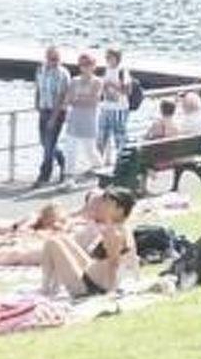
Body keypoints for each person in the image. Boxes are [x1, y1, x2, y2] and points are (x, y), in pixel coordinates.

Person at [37, 187, 138, 298]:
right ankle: (50, 287)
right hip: (92, 277)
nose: (102, 206)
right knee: (62, 239)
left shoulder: (114, 233)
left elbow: (114, 263)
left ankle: (46, 289)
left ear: (120, 210)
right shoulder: (118, 228)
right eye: (104, 202)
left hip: (89, 287)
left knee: (52, 243)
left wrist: (111, 291)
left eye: (108, 204)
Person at [62, 52, 107, 177]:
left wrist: (77, 99)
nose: (85, 67)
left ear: (93, 66)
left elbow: (93, 101)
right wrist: (79, 99)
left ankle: (99, 167)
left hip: (89, 119)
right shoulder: (74, 81)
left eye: (88, 64)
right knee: (70, 149)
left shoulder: (98, 81)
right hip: (74, 118)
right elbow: (68, 99)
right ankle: (69, 175)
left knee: (90, 149)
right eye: (82, 64)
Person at [33, 46, 70, 187]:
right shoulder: (40, 70)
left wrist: (54, 117)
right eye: (51, 58)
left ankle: (44, 174)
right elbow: (38, 87)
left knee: (49, 144)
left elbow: (61, 96)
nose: (53, 62)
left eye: (56, 59)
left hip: (57, 111)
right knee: (44, 142)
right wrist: (36, 102)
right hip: (44, 108)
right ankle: (63, 161)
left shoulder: (62, 74)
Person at [96, 46, 132, 175]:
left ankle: (123, 164)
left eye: (110, 57)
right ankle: (98, 163)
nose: (107, 59)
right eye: (106, 57)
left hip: (119, 108)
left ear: (117, 58)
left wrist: (111, 85)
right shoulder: (106, 70)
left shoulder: (122, 71)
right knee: (101, 136)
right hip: (106, 107)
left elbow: (127, 90)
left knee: (119, 137)